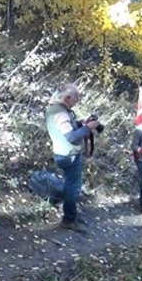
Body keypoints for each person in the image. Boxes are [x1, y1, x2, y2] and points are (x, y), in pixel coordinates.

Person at [45, 83, 100, 233]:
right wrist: (88, 128)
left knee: (71, 185)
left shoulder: (54, 109)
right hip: (69, 155)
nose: (77, 100)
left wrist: (81, 123)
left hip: (62, 153)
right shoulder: (61, 113)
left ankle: (71, 215)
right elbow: (71, 137)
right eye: (76, 97)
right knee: (73, 188)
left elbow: (65, 129)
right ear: (68, 97)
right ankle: (69, 219)